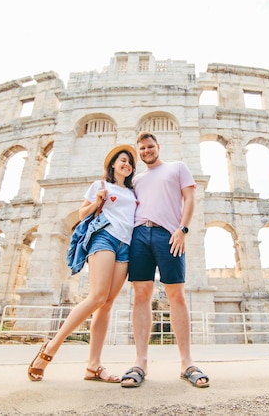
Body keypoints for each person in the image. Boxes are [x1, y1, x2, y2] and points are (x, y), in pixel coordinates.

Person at [28, 144, 137, 383]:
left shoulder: (133, 192)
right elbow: (81, 215)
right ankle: (50, 349)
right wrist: (97, 201)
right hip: (104, 236)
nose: (126, 164)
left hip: (126, 245)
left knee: (107, 304)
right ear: (112, 164)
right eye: (122, 160)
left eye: (130, 162)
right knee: (97, 297)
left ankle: (93, 366)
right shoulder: (100, 186)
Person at [120, 131, 210, 388]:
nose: (147, 151)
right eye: (142, 148)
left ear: (158, 146)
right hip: (139, 234)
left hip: (169, 234)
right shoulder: (136, 179)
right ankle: (140, 362)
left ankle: (187, 363)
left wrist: (183, 229)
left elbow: (190, 198)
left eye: (150, 146)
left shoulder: (177, 167)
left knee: (176, 295)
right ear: (139, 151)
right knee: (140, 295)